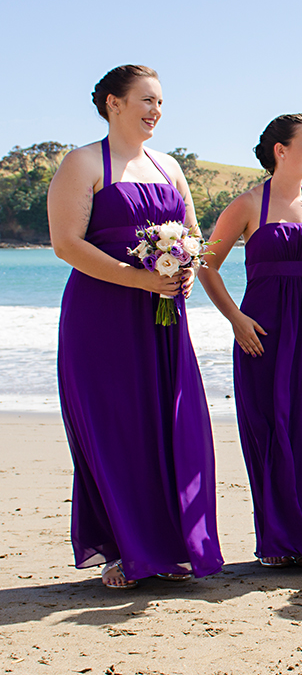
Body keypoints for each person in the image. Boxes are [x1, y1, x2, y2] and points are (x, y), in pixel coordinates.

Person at [47, 64, 223, 588]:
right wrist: (137, 279)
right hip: (101, 320)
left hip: (164, 319)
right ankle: (124, 551)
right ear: (112, 103)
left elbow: (193, 235)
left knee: (169, 425)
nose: (155, 111)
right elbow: (66, 244)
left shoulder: (168, 166)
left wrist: (186, 269)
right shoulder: (83, 163)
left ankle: (173, 546)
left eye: (161, 103)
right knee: (118, 429)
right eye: (146, 100)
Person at [198, 114, 302, 567]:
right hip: (260, 332)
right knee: (269, 431)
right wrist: (236, 320)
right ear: (280, 150)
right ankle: (278, 544)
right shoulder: (246, 205)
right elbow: (207, 266)